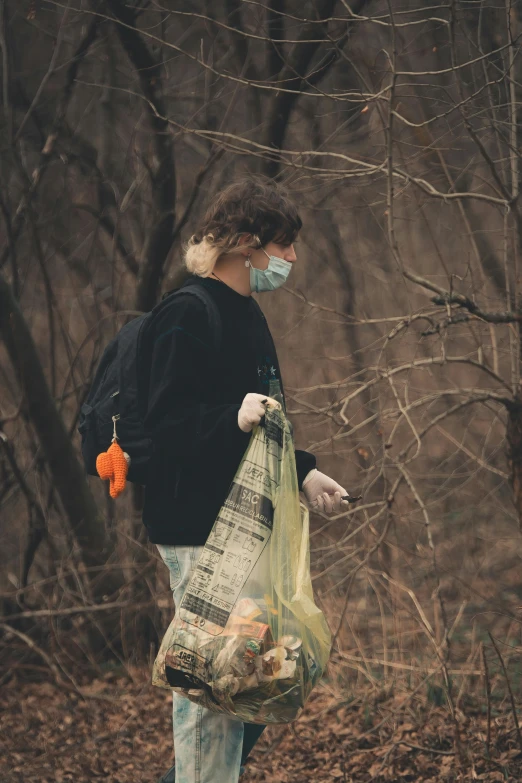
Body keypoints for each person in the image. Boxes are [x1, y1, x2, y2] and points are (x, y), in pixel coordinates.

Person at [142, 178, 350, 783]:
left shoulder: (249, 316)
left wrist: (306, 474)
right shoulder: (187, 312)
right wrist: (228, 418)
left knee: (250, 682)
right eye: (283, 245)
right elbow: (165, 425)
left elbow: (267, 427)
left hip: (246, 529)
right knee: (212, 693)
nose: (291, 259)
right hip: (197, 530)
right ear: (244, 244)